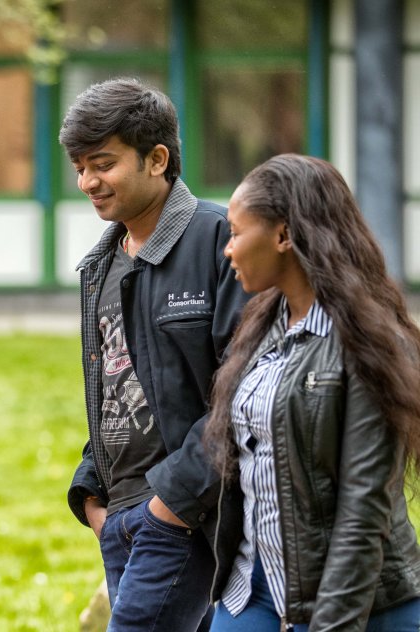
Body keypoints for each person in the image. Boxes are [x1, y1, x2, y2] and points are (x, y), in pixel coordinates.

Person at [60, 77, 249, 631]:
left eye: (102, 163)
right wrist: (91, 496)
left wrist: (171, 503)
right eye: (79, 167)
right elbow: (115, 385)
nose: (87, 181)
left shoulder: (221, 240)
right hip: (118, 516)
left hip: (183, 513)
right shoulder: (100, 264)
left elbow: (241, 389)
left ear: (157, 158)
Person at [204, 154, 420, 631]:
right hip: (250, 590)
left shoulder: (368, 344)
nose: (228, 249)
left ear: (283, 235)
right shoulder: (260, 329)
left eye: (237, 233)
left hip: (354, 602)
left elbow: (364, 510)